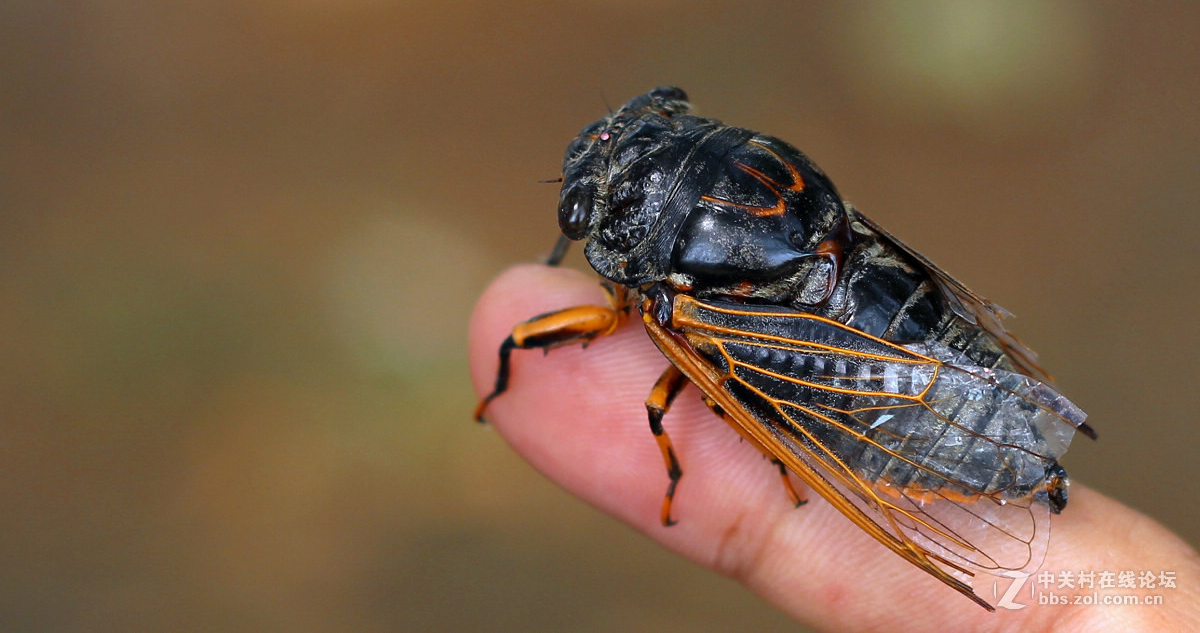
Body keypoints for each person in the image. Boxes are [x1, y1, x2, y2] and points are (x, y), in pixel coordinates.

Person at [470, 264, 1200, 631]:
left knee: (701, 398)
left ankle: (1004, 447)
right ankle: (1011, 432)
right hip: (878, 305)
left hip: (844, 383)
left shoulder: (660, 298)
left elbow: (719, 397)